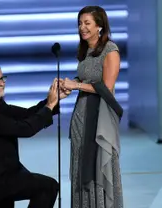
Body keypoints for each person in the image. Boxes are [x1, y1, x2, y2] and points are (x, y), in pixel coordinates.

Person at [0, 63, 69, 208]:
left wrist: (54, 100)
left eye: (2, 78)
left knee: (46, 187)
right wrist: (49, 107)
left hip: (1, 178)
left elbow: (25, 115)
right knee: (47, 187)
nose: (1, 84)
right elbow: (24, 129)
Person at [61, 6, 124, 208]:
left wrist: (76, 85)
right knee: (81, 167)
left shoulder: (110, 50)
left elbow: (106, 87)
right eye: (80, 23)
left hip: (100, 118)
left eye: (87, 23)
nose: (82, 27)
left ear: (100, 26)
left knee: (99, 166)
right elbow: (87, 78)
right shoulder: (85, 50)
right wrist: (68, 84)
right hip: (81, 116)